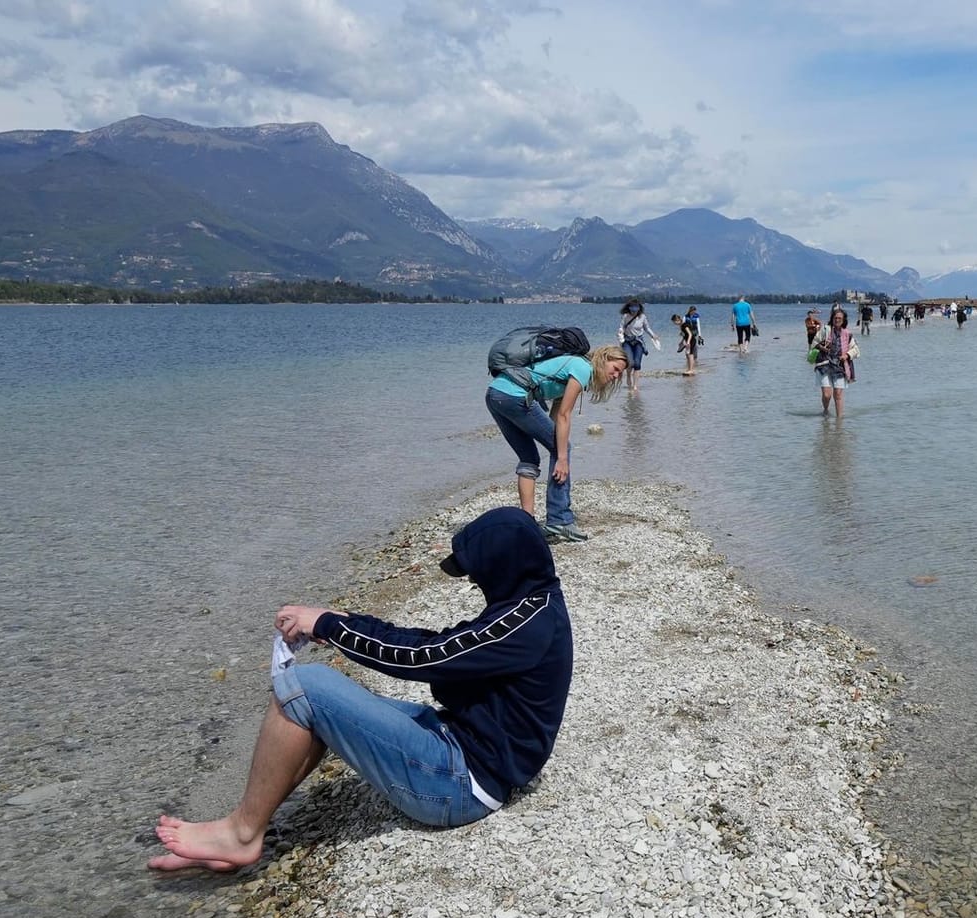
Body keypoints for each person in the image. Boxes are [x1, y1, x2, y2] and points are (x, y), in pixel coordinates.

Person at [147, 507, 573, 873]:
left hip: (461, 784)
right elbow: (437, 641)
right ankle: (247, 826)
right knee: (319, 702)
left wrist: (333, 627)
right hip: (464, 749)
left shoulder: (523, 624)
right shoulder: (532, 605)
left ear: (502, 567)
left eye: (477, 574)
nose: (474, 584)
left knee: (306, 685)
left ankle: (240, 833)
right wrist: (345, 619)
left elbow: (425, 658)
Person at [486, 342, 628, 542]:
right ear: (604, 359)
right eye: (615, 370)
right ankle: (559, 519)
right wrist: (561, 457)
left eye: (620, 374)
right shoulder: (583, 368)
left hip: (495, 394)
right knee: (563, 448)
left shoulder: (574, 366)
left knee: (529, 458)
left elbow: (554, 419)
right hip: (514, 395)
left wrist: (555, 446)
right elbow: (563, 416)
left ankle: (527, 524)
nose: (616, 376)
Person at [811, 307, 855, 419]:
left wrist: (847, 355)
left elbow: (855, 349)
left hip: (839, 366)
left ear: (844, 320)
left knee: (838, 394)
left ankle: (839, 421)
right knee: (827, 395)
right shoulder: (825, 330)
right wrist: (823, 347)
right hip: (824, 364)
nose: (837, 320)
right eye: (835, 318)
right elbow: (814, 342)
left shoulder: (847, 334)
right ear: (832, 319)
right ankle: (825, 410)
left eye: (840, 318)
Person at [618, 300, 660, 393]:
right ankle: (628, 376)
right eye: (632, 308)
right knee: (630, 362)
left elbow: (647, 328)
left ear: (639, 308)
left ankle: (635, 386)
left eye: (636, 308)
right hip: (627, 341)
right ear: (629, 308)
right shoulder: (625, 316)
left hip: (638, 341)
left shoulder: (642, 317)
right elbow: (621, 328)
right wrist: (620, 337)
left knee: (637, 364)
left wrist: (653, 335)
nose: (634, 311)